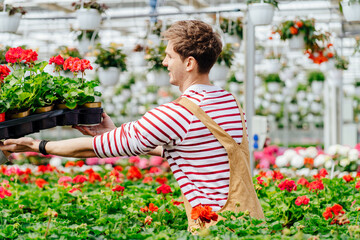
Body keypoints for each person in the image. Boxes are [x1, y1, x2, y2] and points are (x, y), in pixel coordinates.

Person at [0, 20, 264, 230]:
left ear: (189, 63)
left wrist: (36, 144)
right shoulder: (228, 100)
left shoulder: (177, 113)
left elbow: (93, 149)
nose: (164, 62)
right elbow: (195, 150)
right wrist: (116, 134)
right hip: (247, 222)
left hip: (213, 226)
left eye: (169, 56)